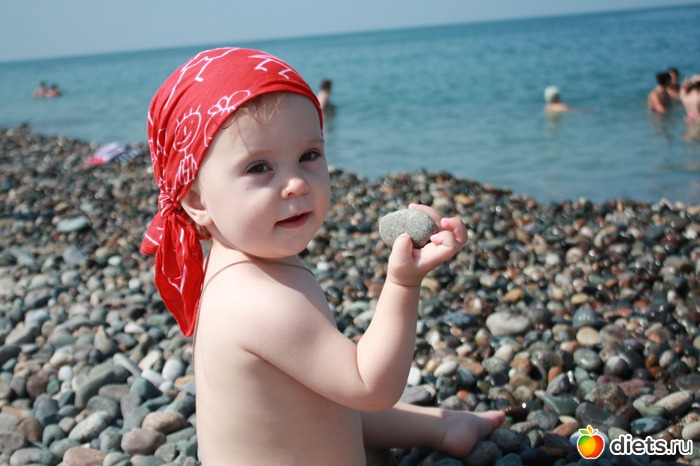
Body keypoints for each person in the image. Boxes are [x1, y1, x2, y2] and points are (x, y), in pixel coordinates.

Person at [141, 47, 503, 464]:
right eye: (259, 167)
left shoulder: (234, 266)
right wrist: (403, 283)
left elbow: (324, 399)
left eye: (308, 156)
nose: (296, 183)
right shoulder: (262, 301)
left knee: (318, 388)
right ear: (196, 200)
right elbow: (369, 386)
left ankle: (441, 427)